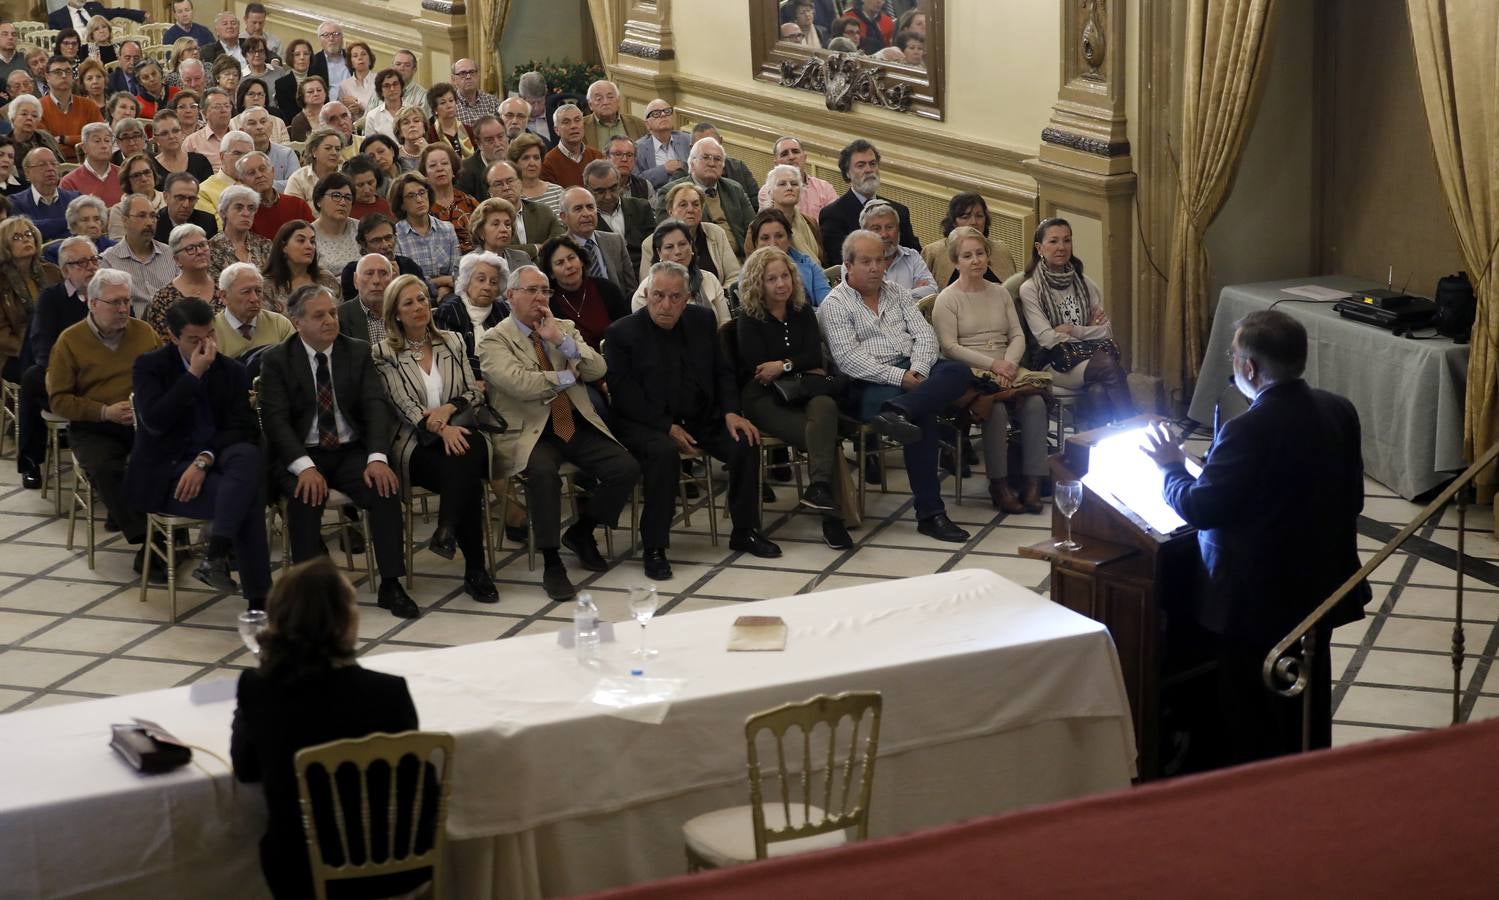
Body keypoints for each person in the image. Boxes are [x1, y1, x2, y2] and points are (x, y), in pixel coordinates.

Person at [1141, 309, 1370, 765]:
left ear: (1249, 368)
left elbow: (1200, 508)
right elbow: (1354, 499)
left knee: (1252, 709)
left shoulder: (1245, 430)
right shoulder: (1338, 410)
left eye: (1233, 357)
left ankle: (1260, 787)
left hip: (1254, 602)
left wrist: (1169, 466)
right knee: (1306, 695)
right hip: (1319, 589)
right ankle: (1309, 769)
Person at [230, 556, 434, 900]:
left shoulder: (258, 688)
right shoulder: (388, 693)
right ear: (344, 621)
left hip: (301, 871)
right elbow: (414, 780)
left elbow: (246, 768)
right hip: (396, 868)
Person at [606, 261, 780, 579]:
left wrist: (731, 411)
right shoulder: (622, 333)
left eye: (675, 297)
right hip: (646, 421)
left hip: (702, 415)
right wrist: (665, 426)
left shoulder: (702, 319)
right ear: (646, 294)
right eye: (658, 296)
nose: (666, 305)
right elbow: (624, 395)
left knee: (745, 441)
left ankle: (745, 530)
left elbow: (722, 371)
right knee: (663, 454)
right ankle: (654, 547)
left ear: (687, 299)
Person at [256, 282, 420, 618]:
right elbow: (276, 423)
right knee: (306, 496)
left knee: (385, 488)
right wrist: (304, 467)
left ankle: (391, 582)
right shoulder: (277, 360)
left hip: (349, 450)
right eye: (319, 316)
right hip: (303, 452)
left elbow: (375, 406)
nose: (330, 320)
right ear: (297, 321)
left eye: (332, 313)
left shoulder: (356, 351)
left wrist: (377, 457)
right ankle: (310, 594)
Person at [479, 264, 639, 599]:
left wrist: (562, 342)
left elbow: (598, 367)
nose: (540, 298)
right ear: (510, 296)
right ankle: (552, 562)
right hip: (530, 432)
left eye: (545, 291)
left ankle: (582, 531)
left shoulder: (561, 327)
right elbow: (521, 384)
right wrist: (567, 377)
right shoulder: (494, 340)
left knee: (626, 468)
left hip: (573, 422)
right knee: (542, 474)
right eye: (531, 290)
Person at [819, 230, 972, 543]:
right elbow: (849, 360)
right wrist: (900, 378)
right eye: (866, 261)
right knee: (924, 414)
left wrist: (916, 370)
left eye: (880, 260)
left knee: (959, 371)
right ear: (847, 265)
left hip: (913, 373)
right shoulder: (834, 305)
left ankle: (899, 411)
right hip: (868, 384)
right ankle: (931, 514)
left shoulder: (897, 292)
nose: (876, 268)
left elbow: (925, 336)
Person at [127, 297, 271, 605]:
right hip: (169, 467)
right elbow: (155, 421)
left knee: (248, 455)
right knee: (248, 498)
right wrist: (192, 376)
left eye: (210, 336)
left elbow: (242, 427)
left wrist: (204, 459)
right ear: (173, 336)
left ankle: (216, 555)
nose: (205, 345)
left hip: (213, 457)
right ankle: (257, 597)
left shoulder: (230, 370)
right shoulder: (150, 366)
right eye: (194, 339)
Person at [371, 274, 498, 602]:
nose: (419, 308)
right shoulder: (383, 353)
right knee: (465, 472)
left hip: (464, 432)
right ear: (395, 313)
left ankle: (447, 529)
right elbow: (404, 406)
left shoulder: (453, 341)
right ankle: (475, 570)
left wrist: (449, 410)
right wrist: (441, 428)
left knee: (463, 456)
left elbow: (475, 392)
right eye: (409, 303)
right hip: (417, 443)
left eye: (423, 300)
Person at [47, 268, 165, 578]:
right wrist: (104, 411)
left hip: (142, 420)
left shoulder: (143, 332)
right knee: (106, 466)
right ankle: (149, 538)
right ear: (92, 303)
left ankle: (164, 534)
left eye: (126, 301)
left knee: (165, 458)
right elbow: (58, 399)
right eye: (114, 303)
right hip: (95, 424)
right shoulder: (70, 341)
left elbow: (164, 378)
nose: (123, 309)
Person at [736, 246, 852, 549]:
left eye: (785, 276)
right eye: (771, 278)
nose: (780, 284)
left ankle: (819, 490)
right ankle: (832, 519)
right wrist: (792, 363)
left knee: (825, 406)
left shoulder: (801, 311)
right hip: (764, 398)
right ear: (757, 284)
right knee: (823, 435)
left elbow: (815, 355)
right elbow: (758, 367)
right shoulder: (749, 318)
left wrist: (783, 365)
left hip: (805, 388)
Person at [931, 226, 1047, 514]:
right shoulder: (947, 299)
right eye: (967, 256)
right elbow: (950, 347)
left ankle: (1033, 481)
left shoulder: (1000, 293)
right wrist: (993, 365)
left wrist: (1007, 364)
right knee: (993, 409)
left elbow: (1017, 335)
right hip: (970, 373)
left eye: (980, 254)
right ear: (956, 261)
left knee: (1034, 403)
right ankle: (999, 483)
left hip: (1006, 367)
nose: (976, 261)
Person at [1018, 217, 1134, 427]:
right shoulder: (1030, 289)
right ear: (1039, 248)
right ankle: (1135, 428)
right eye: (1053, 241)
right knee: (1108, 366)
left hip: (1087, 358)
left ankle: (1094, 450)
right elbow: (1046, 339)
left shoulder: (1086, 284)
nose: (1061, 247)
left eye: (1067, 240)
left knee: (1098, 391)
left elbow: (1106, 331)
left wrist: (1072, 329)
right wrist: (1088, 329)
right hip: (1052, 362)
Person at [15, 236, 97, 489]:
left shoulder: (109, 292)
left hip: (102, 371)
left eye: (94, 260)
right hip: (64, 374)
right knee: (32, 377)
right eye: (81, 263)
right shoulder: (52, 298)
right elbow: (43, 345)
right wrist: (66, 373)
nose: (91, 267)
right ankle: (31, 461)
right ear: (65, 271)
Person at [818, 139, 919, 266]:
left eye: (872, 164)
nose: (868, 170)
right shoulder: (833, 214)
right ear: (848, 173)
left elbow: (914, 255)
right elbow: (840, 263)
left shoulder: (899, 211)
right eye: (861, 165)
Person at [657, 137, 754, 254]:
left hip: (741, 259)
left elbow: (753, 228)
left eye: (717, 159)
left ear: (722, 167)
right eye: (706, 157)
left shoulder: (735, 189)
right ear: (692, 164)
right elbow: (666, 237)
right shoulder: (672, 192)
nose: (712, 163)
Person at [539, 234, 630, 352]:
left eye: (571, 258)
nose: (569, 266)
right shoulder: (549, 303)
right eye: (560, 263)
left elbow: (627, 330)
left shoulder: (607, 289)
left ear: (581, 261)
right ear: (551, 273)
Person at [632, 219, 730, 324]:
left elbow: (725, 324)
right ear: (659, 252)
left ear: (691, 246)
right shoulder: (645, 292)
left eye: (682, 244)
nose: (678, 252)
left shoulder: (709, 279)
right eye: (669, 247)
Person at [639, 182, 739, 285]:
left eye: (696, 204)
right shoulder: (650, 243)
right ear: (670, 211)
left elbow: (734, 276)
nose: (690, 210)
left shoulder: (716, 233)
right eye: (683, 205)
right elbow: (648, 286)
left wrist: (721, 297)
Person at [0, 216, 62, 382]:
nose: (26, 239)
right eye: (17, 237)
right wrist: (36, 350)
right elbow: (2, 336)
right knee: (45, 374)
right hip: (15, 354)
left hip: (56, 347)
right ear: (4, 246)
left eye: (28, 234)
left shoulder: (52, 272)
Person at [433, 249, 509, 380]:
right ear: (467, 281)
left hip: (504, 379)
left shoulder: (503, 311)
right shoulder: (449, 312)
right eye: (481, 279)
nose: (487, 286)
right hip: (463, 381)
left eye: (494, 282)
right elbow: (449, 358)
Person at [101, 193, 178, 316]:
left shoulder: (171, 255)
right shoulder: (108, 262)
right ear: (125, 220)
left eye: (153, 216)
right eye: (142, 216)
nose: (149, 222)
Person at [923, 192, 1017, 288]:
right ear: (954, 222)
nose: (974, 222)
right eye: (965, 217)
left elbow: (1014, 292)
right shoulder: (933, 252)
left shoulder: (1001, 249)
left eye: (979, 216)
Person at [391, 171, 460, 300]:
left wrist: (446, 288)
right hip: (410, 297)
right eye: (411, 196)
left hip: (448, 296)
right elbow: (404, 279)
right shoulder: (395, 235)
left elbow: (456, 272)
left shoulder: (447, 229)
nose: (419, 199)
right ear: (401, 204)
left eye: (422, 192)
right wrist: (440, 282)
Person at [143, 223, 217, 338]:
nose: (200, 251)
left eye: (202, 245)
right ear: (177, 260)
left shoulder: (225, 287)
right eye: (190, 248)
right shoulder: (163, 299)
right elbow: (160, 343)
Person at [557, 185, 634, 295]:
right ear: (564, 217)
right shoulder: (557, 250)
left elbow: (631, 288)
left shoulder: (615, 241)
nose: (586, 214)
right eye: (578, 209)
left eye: (590, 207)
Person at [745, 207, 830, 306]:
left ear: (789, 239)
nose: (773, 243)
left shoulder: (808, 264)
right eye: (765, 238)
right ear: (756, 243)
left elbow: (828, 305)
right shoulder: (747, 276)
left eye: (779, 236)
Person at [484, 159, 565, 259]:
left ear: (521, 183)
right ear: (489, 191)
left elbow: (560, 240)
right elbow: (496, 251)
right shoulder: (485, 221)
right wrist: (535, 248)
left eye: (510, 181)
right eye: (498, 184)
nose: (506, 187)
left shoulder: (543, 212)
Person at [582, 158, 652, 272]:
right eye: (600, 192)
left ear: (620, 184)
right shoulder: (586, 220)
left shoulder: (641, 208)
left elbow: (654, 247)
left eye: (613, 188)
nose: (608, 196)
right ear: (587, 190)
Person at [858, 199, 937, 300]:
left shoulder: (912, 257)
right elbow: (862, 303)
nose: (884, 234)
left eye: (889, 227)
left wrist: (885, 297)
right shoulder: (854, 263)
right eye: (876, 229)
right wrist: (911, 292)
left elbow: (932, 290)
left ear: (898, 230)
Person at [337, 212, 423, 302]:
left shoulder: (409, 266)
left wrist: (398, 283)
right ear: (363, 244)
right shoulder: (353, 271)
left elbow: (425, 299)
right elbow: (353, 309)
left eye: (388, 238)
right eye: (376, 241)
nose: (385, 245)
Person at [213, 261, 293, 358]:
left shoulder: (279, 325)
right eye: (246, 292)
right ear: (224, 296)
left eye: (258, 291)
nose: (254, 298)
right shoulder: (211, 331)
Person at [261, 219, 339, 315]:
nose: (309, 246)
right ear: (284, 247)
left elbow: (340, 317)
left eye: (312, 241)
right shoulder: (267, 286)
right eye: (301, 240)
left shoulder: (326, 279)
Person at [38, 54, 99, 163]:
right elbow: (47, 145)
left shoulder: (89, 105)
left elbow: (99, 138)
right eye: (58, 72)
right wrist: (81, 142)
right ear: (47, 77)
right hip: (54, 166)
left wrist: (64, 139)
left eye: (68, 71)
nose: (64, 75)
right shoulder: (38, 108)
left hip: (89, 164)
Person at [241, 150, 314, 240]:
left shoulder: (298, 204)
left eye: (262, 169)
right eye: (251, 173)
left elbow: (313, 239)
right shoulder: (243, 213)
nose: (259, 175)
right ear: (242, 181)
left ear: (272, 171)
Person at [759, 164, 824, 262]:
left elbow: (822, 258)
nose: (789, 188)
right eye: (782, 184)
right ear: (770, 192)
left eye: (794, 184)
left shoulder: (810, 222)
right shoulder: (759, 226)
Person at [420, 143, 477, 253]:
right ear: (425, 174)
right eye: (433, 165)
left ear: (453, 170)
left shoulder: (470, 202)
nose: (440, 168)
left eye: (445, 163)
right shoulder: (421, 206)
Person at [11, 147, 79, 240]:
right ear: (27, 173)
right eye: (42, 165)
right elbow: (25, 232)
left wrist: (39, 225)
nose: (50, 168)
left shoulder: (76, 199)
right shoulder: (14, 203)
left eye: (53, 164)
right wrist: (70, 222)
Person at [208, 184, 272, 281]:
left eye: (251, 208)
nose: (246, 213)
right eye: (239, 208)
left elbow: (274, 282)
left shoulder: (265, 245)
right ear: (223, 212)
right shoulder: (210, 249)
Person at [690, 122, 759, 208]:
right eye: (702, 146)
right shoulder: (682, 177)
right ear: (691, 149)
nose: (711, 162)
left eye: (713, 144)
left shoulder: (738, 168)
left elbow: (756, 204)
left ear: (721, 142)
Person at [540, 103, 602, 190]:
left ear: (583, 125)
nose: (573, 126)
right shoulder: (548, 163)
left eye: (577, 120)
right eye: (566, 122)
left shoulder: (597, 157)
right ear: (556, 130)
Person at [308, 172, 360, 275]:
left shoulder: (361, 229)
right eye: (336, 196)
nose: (343, 203)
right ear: (319, 200)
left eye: (348, 198)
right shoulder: (308, 235)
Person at [338, 252, 394, 344]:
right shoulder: (339, 318)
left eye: (383, 273)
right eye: (369, 273)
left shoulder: (404, 312)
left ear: (392, 280)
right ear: (355, 280)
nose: (376, 281)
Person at [634, 98, 690, 190]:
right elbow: (635, 182)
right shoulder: (638, 148)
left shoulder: (687, 139)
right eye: (656, 113)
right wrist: (664, 170)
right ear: (648, 124)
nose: (663, 115)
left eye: (667, 111)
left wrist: (683, 166)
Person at [58, 121, 120, 205]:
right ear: (84, 147)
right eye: (97, 141)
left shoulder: (123, 175)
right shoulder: (69, 182)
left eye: (107, 140)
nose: (104, 146)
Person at [465, 196, 530, 275]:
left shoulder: (523, 258)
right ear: (480, 232)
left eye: (507, 224)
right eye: (496, 224)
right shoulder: (466, 263)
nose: (504, 229)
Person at [45, 194, 114, 264]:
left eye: (96, 219)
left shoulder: (114, 248)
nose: (92, 225)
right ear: (74, 225)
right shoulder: (56, 252)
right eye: (85, 220)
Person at [106, 153, 162, 238]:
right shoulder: (119, 211)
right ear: (127, 181)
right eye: (136, 175)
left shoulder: (169, 200)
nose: (144, 178)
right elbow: (118, 245)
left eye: (147, 172)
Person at [508, 131, 563, 215]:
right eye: (526, 158)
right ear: (515, 162)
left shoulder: (558, 192)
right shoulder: (511, 196)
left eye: (536, 157)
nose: (532, 163)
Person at [154, 170, 218, 242]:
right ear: (166, 197)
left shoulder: (207, 222)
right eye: (180, 198)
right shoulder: (154, 225)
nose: (186, 205)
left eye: (192, 199)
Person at [282, 127, 342, 202]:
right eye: (328, 148)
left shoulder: (346, 175)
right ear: (314, 151)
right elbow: (293, 210)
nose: (334, 153)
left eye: (338, 149)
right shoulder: (298, 179)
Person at [582, 79, 645, 150]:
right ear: (590, 105)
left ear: (618, 101)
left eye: (610, 97)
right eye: (599, 99)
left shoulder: (639, 125)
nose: (605, 102)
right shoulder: (581, 127)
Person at [183, 87, 233, 172]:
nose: (224, 110)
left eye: (227, 106)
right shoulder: (192, 142)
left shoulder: (240, 137)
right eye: (217, 107)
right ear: (204, 113)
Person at [232, 78, 291, 146]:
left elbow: (286, 150)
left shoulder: (278, 122)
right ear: (242, 98)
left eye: (260, 94)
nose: (256, 98)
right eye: (251, 94)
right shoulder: (232, 123)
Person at [425, 82, 476, 160]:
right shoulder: (431, 134)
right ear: (435, 109)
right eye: (443, 103)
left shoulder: (468, 130)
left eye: (451, 100)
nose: (449, 106)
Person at [308, 20, 352, 108]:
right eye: (326, 35)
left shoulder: (352, 58)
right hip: (326, 111)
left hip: (354, 108)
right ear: (320, 40)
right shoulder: (313, 63)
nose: (331, 39)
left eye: (335, 34)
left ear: (342, 37)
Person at [271, 39, 313, 125]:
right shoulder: (281, 84)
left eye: (306, 54)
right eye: (297, 54)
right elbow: (287, 114)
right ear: (291, 57)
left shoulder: (319, 80)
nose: (302, 58)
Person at [603, 134, 654, 203]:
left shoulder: (645, 186)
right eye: (618, 154)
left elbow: (651, 213)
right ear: (606, 158)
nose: (624, 159)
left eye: (629, 155)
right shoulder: (596, 186)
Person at [447, 58, 498, 127]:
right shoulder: (449, 105)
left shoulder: (492, 101)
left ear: (478, 76)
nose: (468, 76)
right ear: (453, 79)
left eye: (472, 72)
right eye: (463, 73)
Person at [362, 67, 406, 142]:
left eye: (395, 84)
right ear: (380, 91)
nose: (392, 89)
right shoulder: (372, 116)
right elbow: (370, 146)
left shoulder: (413, 111)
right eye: (386, 86)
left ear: (401, 87)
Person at [343, 155, 392, 220]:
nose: (367, 190)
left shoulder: (386, 206)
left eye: (370, 183)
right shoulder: (345, 209)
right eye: (360, 185)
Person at [335, 42, 376, 115]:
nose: (360, 58)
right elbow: (341, 113)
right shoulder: (345, 86)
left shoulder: (379, 79)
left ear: (370, 60)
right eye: (355, 56)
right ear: (351, 63)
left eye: (363, 54)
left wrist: (360, 106)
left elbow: (384, 107)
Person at [515, 70, 553, 144]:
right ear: (521, 97)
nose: (537, 108)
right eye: (532, 103)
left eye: (540, 101)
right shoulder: (513, 121)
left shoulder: (556, 117)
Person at [285, 75, 327, 142]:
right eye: (310, 92)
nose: (316, 94)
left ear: (325, 93)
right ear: (302, 96)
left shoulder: (335, 111)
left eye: (319, 90)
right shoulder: (298, 121)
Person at [393, 104, 429, 173]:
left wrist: (427, 152)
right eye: (406, 123)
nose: (412, 125)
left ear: (424, 127)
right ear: (400, 132)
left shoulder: (436, 151)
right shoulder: (395, 157)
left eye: (416, 121)